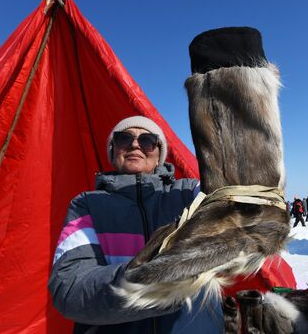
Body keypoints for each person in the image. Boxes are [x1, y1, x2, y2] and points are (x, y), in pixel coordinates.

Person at [48, 116, 223, 334]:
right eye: (124, 139)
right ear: (113, 151)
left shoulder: (189, 193)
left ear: (159, 153)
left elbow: (236, 198)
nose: (135, 145)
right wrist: (146, 277)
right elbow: (70, 288)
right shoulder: (87, 204)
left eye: (147, 140)